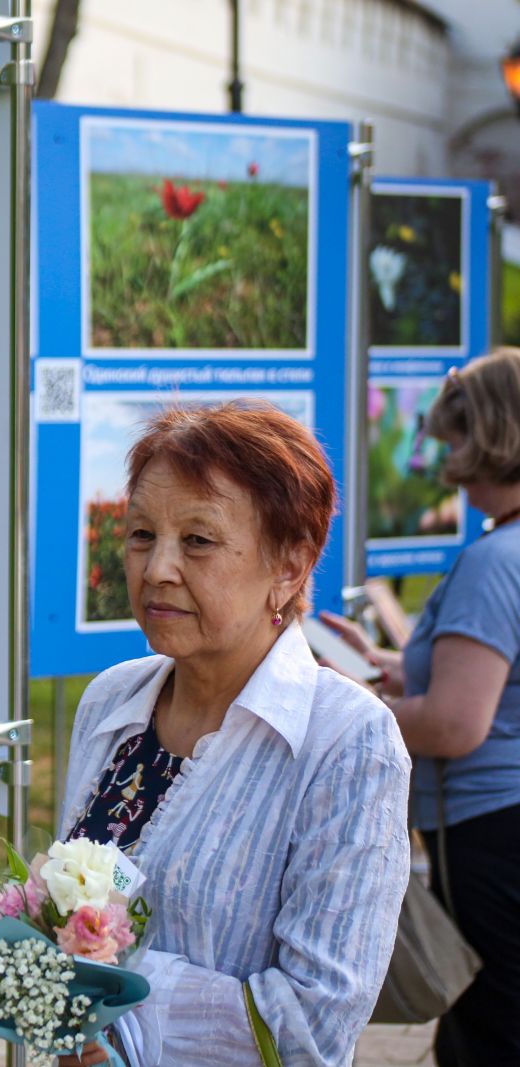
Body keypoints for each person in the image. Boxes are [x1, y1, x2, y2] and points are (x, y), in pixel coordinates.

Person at [54, 401, 409, 1067]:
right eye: (140, 535)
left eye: (198, 540)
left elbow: (315, 1016)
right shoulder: (111, 701)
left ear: (290, 566)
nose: (158, 568)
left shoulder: (346, 741)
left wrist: (113, 1012)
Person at [321, 348, 520, 1067]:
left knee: (488, 1027)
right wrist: (379, 664)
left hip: (489, 829)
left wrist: (351, 709)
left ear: (498, 433)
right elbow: (491, 675)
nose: (452, 462)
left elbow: (456, 722)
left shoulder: (495, 561)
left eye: (459, 439)